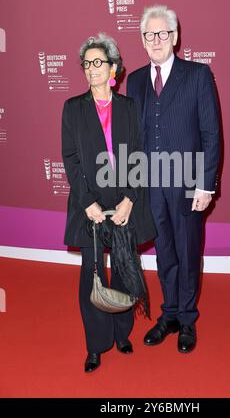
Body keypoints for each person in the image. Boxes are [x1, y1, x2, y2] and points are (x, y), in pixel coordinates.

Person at [127, 5, 220, 353]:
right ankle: (169, 314)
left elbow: (211, 134)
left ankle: (188, 320)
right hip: (150, 186)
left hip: (187, 184)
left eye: (162, 33)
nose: (156, 40)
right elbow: (131, 136)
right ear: (142, 40)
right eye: (149, 35)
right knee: (164, 253)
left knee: (187, 251)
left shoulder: (197, 75)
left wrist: (205, 185)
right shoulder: (134, 80)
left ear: (175, 37)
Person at [62, 33, 156, 372]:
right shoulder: (73, 108)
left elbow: (139, 156)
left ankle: (122, 333)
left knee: (124, 269)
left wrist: (131, 198)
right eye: (87, 64)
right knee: (93, 274)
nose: (91, 69)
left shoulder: (129, 108)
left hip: (123, 203)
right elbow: (71, 158)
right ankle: (96, 344)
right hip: (90, 206)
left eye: (98, 63)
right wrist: (87, 202)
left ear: (113, 67)